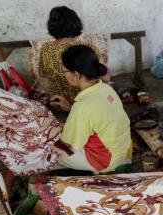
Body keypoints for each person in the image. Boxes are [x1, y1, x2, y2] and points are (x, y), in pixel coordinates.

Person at [51, 45, 131, 173]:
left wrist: (52, 132)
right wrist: (69, 108)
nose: (63, 74)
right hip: (123, 148)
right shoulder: (106, 88)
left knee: (48, 152)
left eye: (64, 71)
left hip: (105, 160)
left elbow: (70, 144)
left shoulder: (82, 107)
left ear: (76, 75)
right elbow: (96, 116)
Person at [39, 6, 110, 104]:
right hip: (83, 101)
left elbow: (42, 74)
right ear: (75, 23)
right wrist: (103, 61)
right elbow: (105, 77)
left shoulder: (45, 48)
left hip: (57, 101)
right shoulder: (86, 47)